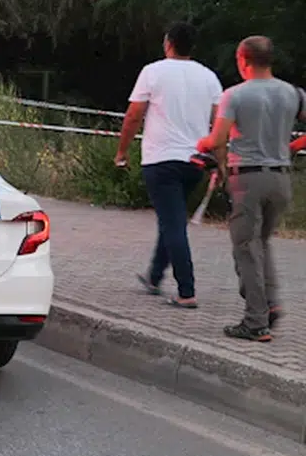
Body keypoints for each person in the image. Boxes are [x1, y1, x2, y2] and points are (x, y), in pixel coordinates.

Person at [197, 36, 306, 342]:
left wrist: (202, 143)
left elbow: (218, 139)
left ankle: (255, 322)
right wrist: (293, 146)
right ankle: (271, 303)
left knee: (245, 248)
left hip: (247, 179)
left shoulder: (235, 95)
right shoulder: (293, 93)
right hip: (281, 178)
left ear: (242, 59)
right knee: (262, 243)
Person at [115, 22, 223, 308]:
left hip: (161, 160)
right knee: (171, 218)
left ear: (168, 43)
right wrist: (219, 162)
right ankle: (154, 277)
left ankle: (187, 291)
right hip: (195, 162)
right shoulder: (209, 77)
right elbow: (219, 123)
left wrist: (122, 151)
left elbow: (134, 115)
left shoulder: (153, 72)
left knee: (173, 224)